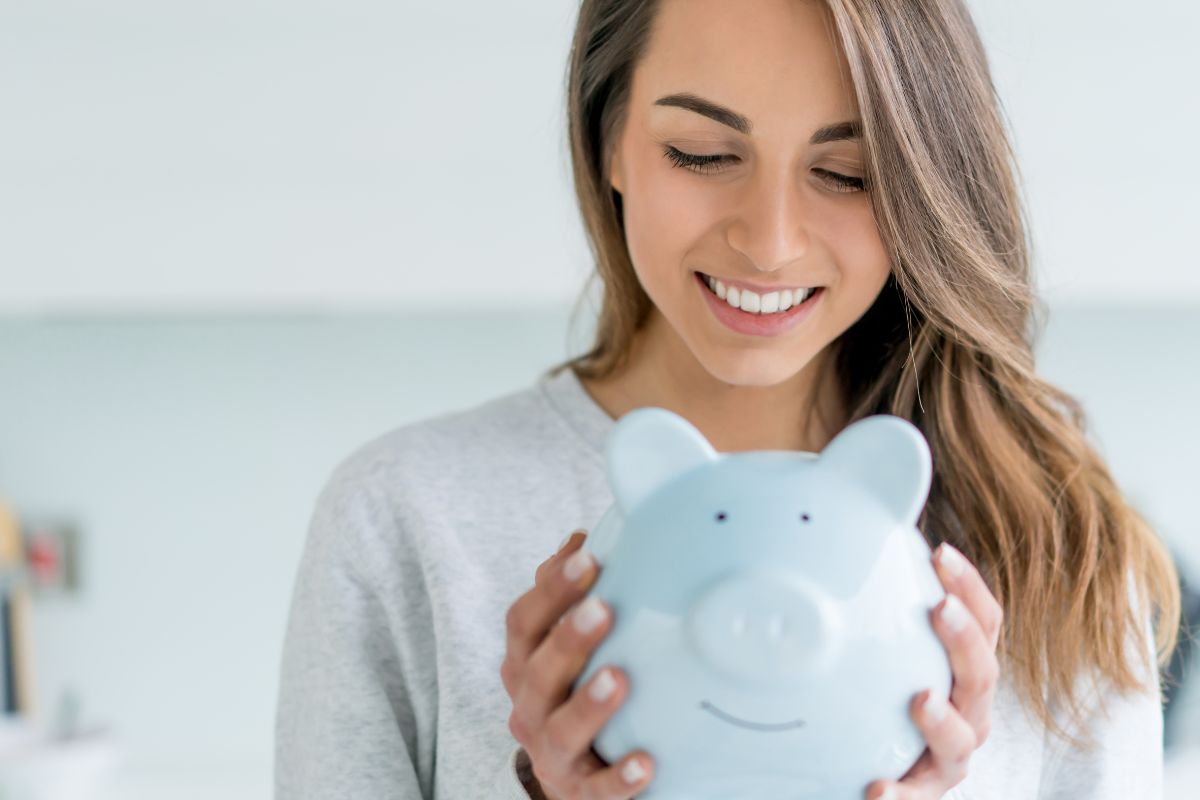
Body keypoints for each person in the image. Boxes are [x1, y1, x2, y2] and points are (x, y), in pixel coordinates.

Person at [273, 1, 1183, 798]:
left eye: (848, 172)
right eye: (702, 154)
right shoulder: (409, 517)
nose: (770, 242)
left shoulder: (1056, 546)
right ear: (609, 142)